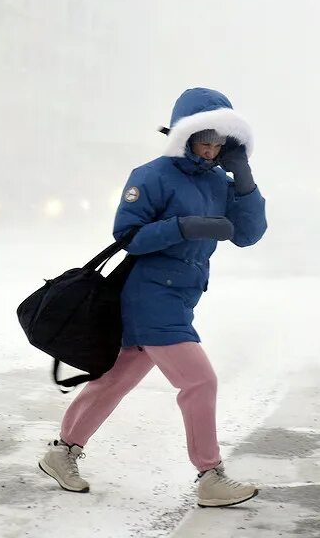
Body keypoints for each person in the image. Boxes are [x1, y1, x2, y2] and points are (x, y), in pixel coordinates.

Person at [39, 88, 268, 507]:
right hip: (150, 297)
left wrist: (246, 182)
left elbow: (249, 234)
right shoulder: (152, 175)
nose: (213, 148)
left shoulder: (221, 180)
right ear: (184, 134)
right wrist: (183, 227)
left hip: (180, 298)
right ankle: (210, 475)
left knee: (114, 382)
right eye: (205, 138)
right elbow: (127, 236)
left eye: (221, 141)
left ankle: (62, 451)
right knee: (200, 381)